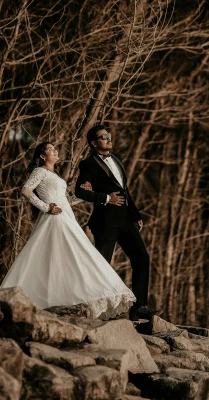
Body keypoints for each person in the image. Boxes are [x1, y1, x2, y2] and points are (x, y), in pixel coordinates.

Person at [0, 141, 135, 319]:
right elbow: (25, 190)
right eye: (50, 149)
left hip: (66, 217)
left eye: (55, 149)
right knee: (75, 254)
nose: (55, 151)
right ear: (42, 156)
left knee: (67, 258)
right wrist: (45, 207)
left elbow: (65, 200)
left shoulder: (54, 175)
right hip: (54, 218)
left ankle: (66, 299)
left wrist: (84, 195)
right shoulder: (40, 171)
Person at [74, 125, 156, 321]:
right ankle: (93, 306)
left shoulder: (117, 159)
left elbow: (124, 190)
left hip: (126, 219)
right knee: (102, 265)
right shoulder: (88, 164)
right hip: (105, 222)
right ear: (94, 143)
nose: (108, 139)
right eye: (103, 137)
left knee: (142, 258)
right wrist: (105, 198)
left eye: (108, 135)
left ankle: (139, 307)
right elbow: (80, 191)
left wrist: (136, 214)